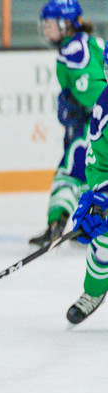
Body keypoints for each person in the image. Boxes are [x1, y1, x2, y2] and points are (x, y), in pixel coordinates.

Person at [30, 0, 105, 248]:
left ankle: (57, 225)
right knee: (90, 174)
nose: (46, 30)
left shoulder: (72, 52)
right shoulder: (90, 42)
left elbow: (96, 93)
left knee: (70, 172)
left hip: (94, 126)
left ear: (67, 24)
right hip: (94, 124)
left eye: (50, 24)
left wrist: (79, 108)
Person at [66, 42, 108, 325]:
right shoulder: (104, 108)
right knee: (104, 237)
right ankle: (94, 290)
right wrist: (100, 198)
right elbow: (98, 163)